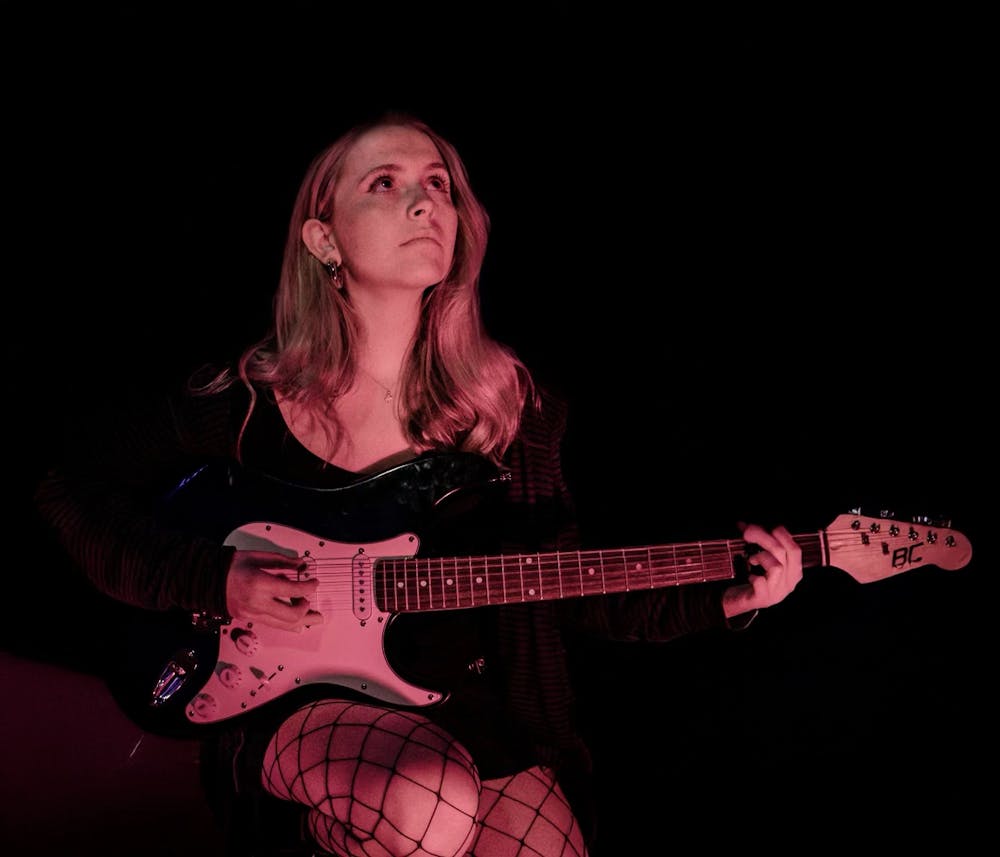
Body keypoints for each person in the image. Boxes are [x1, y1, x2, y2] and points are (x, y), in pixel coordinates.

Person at [32, 110, 803, 857]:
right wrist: (214, 575)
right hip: (284, 695)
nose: (425, 199)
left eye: (439, 183)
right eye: (385, 182)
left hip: (465, 703)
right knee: (427, 805)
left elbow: (563, 583)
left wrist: (725, 595)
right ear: (322, 237)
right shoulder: (245, 401)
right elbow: (70, 491)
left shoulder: (510, 409)